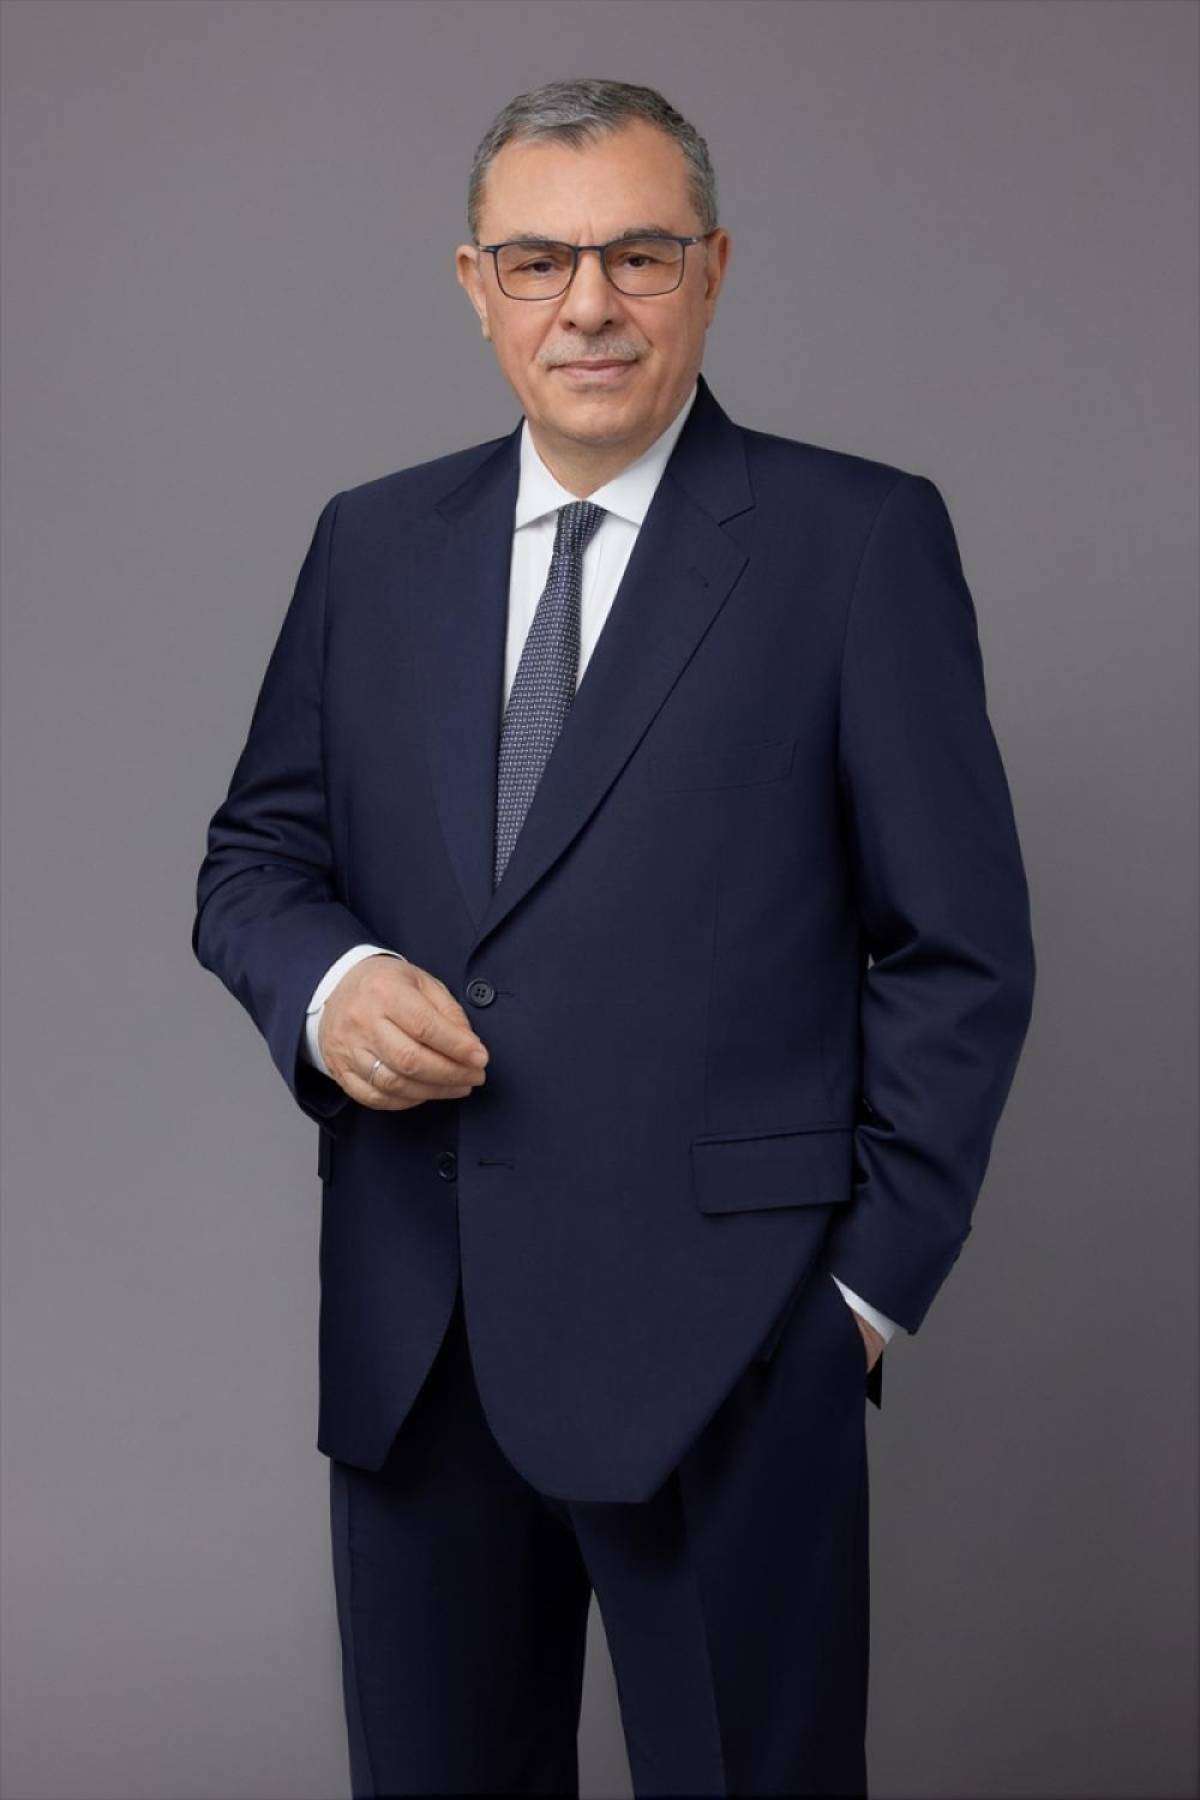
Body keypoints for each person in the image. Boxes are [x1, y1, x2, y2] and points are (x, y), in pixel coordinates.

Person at [192, 76, 1035, 1800]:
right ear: (475, 284)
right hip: (416, 1341)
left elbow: (960, 951)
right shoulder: (371, 545)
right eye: (539, 260)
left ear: (712, 270)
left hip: (734, 1343)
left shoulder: (857, 541)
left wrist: (861, 1301)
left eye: (637, 255)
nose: (588, 304)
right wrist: (331, 987)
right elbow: (258, 858)